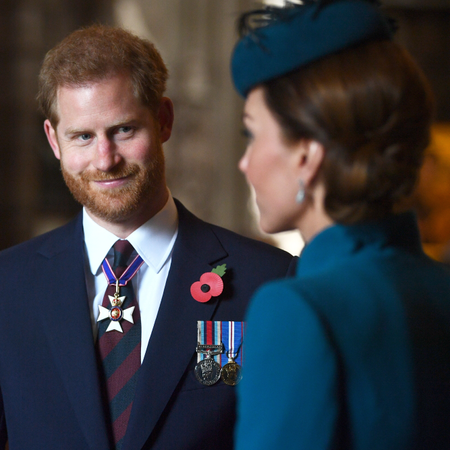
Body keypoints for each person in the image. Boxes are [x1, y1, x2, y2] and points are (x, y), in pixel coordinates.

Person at [0, 25, 296, 450]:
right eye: (83, 136)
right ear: (53, 140)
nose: (106, 159)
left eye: (123, 130)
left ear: (163, 121)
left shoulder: (268, 281)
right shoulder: (6, 286)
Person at [230, 1, 450, 449]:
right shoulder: (439, 287)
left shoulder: (296, 310)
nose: (244, 162)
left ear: (307, 157)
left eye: (252, 134)